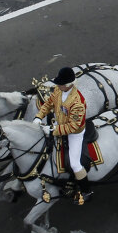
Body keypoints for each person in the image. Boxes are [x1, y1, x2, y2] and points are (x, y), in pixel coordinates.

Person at [34, 67, 91, 203]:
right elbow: (49, 104)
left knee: (75, 163)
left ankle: (86, 190)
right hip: (59, 125)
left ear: (68, 84)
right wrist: (38, 116)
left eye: (60, 83)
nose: (57, 85)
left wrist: (52, 130)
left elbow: (73, 126)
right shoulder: (59, 90)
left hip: (74, 134)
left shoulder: (78, 102)